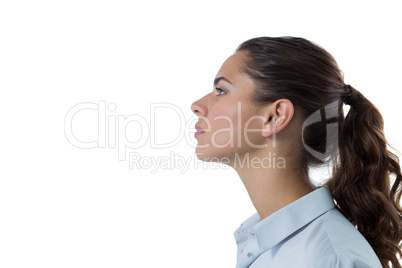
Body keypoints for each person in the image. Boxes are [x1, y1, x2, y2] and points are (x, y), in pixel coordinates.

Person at [191, 37, 402, 268]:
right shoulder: (270, 246)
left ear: (275, 116)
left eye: (221, 91)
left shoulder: (329, 259)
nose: (197, 105)